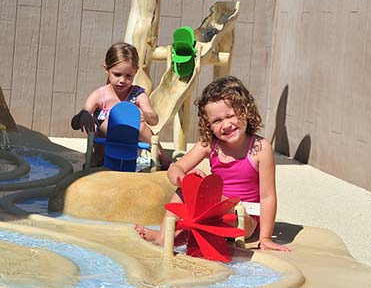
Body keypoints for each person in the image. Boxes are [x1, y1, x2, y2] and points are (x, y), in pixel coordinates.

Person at [135, 75, 290, 251]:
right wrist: (185, 181)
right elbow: (175, 168)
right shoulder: (210, 144)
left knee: (214, 199)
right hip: (213, 214)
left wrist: (266, 238)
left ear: (245, 111)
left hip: (244, 220)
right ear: (208, 125)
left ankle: (169, 235)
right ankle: (163, 237)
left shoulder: (261, 148)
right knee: (187, 190)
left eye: (230, 116)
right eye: (217, 121)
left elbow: (268, 196)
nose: (225, 125)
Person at [71, 42, 171, 169]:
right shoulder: (100, 95)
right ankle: (96, 159)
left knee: (141, 127)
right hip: (105, 146)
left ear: (136, 72)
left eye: (129, 76)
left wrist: (145, 115)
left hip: (130, 142)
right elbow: (74, 124)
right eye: (117, 74)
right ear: (106, 69)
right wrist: (83, 115)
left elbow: (154, 119)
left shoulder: (138, 94)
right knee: (107, 123)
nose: (122, 80)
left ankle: (164, 159)